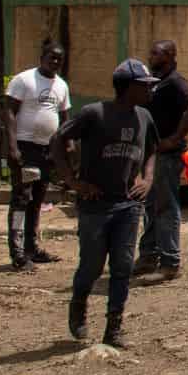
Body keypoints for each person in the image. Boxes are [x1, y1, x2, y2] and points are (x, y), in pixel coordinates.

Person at [55, 59, 159, 348]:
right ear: (127, 88)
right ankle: (78, 305)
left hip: (128, 204)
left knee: (123, 265)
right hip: (95, 204)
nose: (151, 90)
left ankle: (114, 327)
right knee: (91, 265)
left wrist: (147, 179)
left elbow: (152, 150)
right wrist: (73, 182)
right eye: (145, 86)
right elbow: (57, 140)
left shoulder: (144, 117)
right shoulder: (94, 114)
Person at [135, 40, 188, 281]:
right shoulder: (155, 82)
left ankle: (169, 262)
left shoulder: (175, 82)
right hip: (151, 155)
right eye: (151, 51)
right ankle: (147, 258)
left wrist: (174, 139)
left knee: (166, 207)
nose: (150, 56)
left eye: (156, 53)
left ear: (170, 56)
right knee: (150, 207)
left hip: (167, 156)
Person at [4, 46, 71, 270]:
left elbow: (64, 116)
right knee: (22, 198)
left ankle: (32, 248)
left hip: (47, 150)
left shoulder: (61, 85)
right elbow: (10, 112)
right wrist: (13, 147)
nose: (55, 62)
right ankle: (18, 253)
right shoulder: (23, 80)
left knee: (37, 200)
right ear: (41, 58)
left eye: (59, 59)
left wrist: (67, 142)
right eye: (51, 57)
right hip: (25, 147)